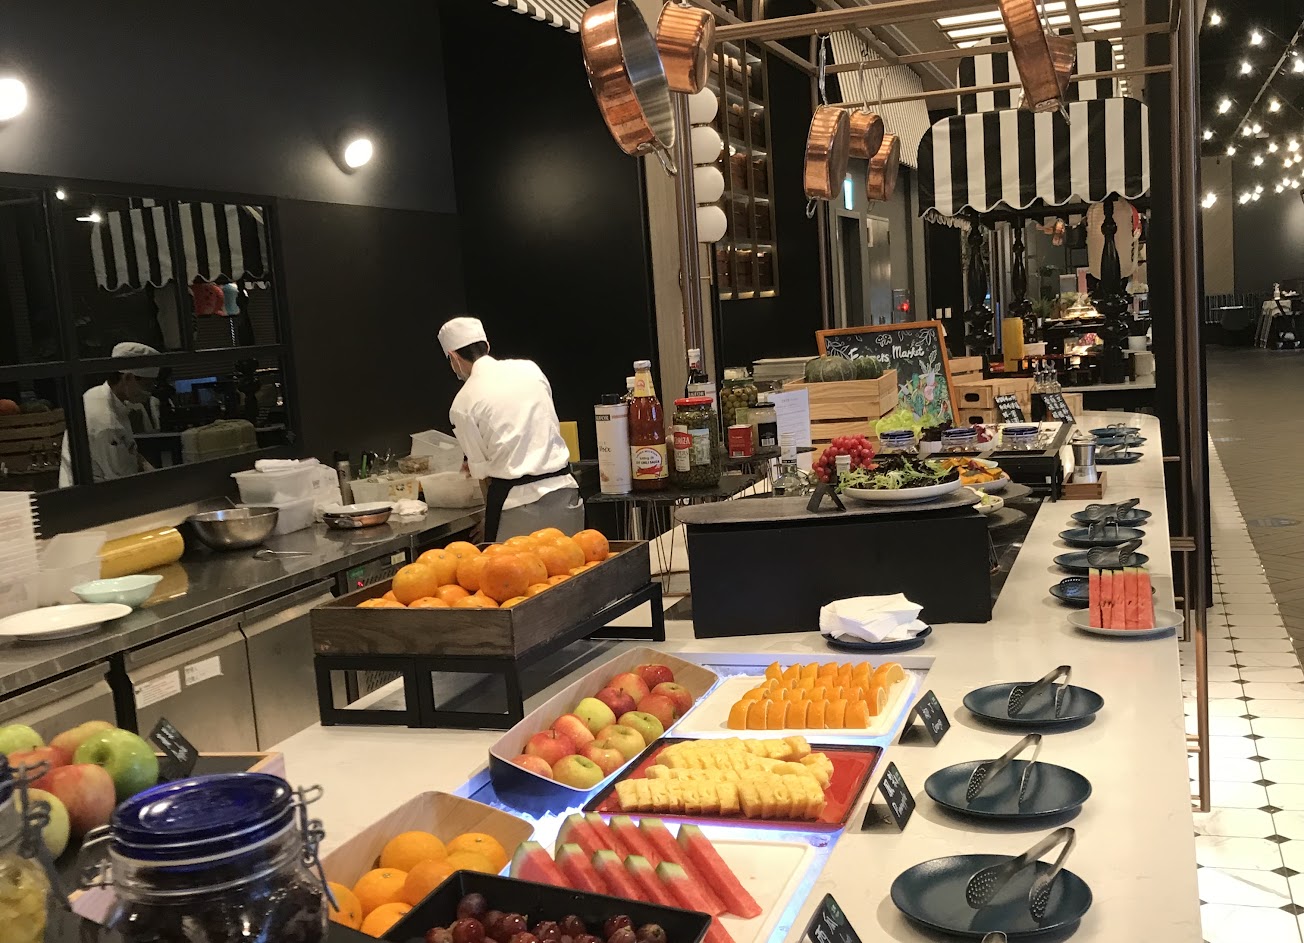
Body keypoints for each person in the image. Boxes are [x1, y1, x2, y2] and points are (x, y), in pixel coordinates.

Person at [439, 316, 584, 542]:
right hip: (565, 492)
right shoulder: (530, 369)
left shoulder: (462, 403)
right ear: (487, 346)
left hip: (517, 507)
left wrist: (489, 520)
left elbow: (483, 475)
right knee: (572, 561)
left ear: (454, 357)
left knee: (522, 567)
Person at [58, 342, 160, 487]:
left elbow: (129, 450)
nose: (149, 392)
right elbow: (122, 480)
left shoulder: (96, 394)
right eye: (147, 385)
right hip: (93, 495)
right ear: (127, 378)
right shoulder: (106, 422)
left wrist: (146, 466)